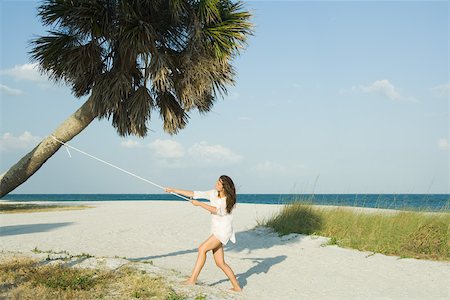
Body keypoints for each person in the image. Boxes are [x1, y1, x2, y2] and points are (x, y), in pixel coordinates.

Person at [165, 175, 242, 292]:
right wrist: (174, 190)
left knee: (202, 249)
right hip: (217, 231)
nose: (216, 184)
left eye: (219, 183)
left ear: (224, 187)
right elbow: (195, 193)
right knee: (220, 263)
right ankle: (237, 287)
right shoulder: (213, 193)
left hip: (223, 231)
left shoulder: (227, 200)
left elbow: (217, 211)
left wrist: (199, 204)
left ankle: (192, 280)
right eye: (217, 181)